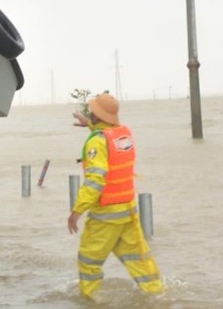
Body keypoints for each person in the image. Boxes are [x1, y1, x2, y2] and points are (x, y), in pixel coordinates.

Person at [66, 92, 165, 299]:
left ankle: (90, 300)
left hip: (105, 216)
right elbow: (107, 138)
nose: (89, 113)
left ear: (97, 115)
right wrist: (90, 126)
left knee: (88, 261)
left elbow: (95, 181)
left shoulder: (96, 143)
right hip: (128, 211)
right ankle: (158, 296)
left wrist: (77, 211)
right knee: (140, 260)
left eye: (92, 112)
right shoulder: (123, 135)